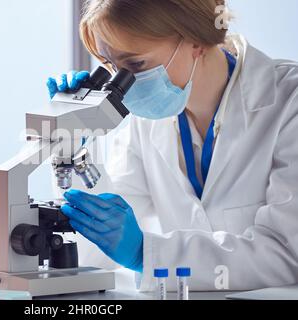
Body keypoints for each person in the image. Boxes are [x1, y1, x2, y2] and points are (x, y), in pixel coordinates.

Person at [46, 0, 298, 292]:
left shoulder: (289, 102)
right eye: (110, 66)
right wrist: (69, 147)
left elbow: (285, 252)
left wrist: (146, 253)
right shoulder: (149, 120)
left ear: (195, 41)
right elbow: (97, 253)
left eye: (136, 65)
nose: (122, 84)